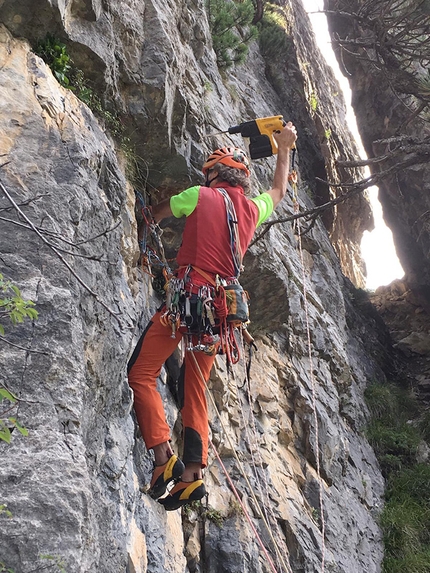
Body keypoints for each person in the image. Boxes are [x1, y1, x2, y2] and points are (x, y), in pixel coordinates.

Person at [127, 122, 297, 511]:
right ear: (240, 180)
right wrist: (284, 148)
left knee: (141, 373)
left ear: (214, 175)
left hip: (186, 302)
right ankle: (191, 477)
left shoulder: (199, 195)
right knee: (195, 387)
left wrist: (143, 214)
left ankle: (161, 456)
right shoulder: (252, 210)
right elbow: (279, 191)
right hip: (222, 314)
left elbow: (156, 214)